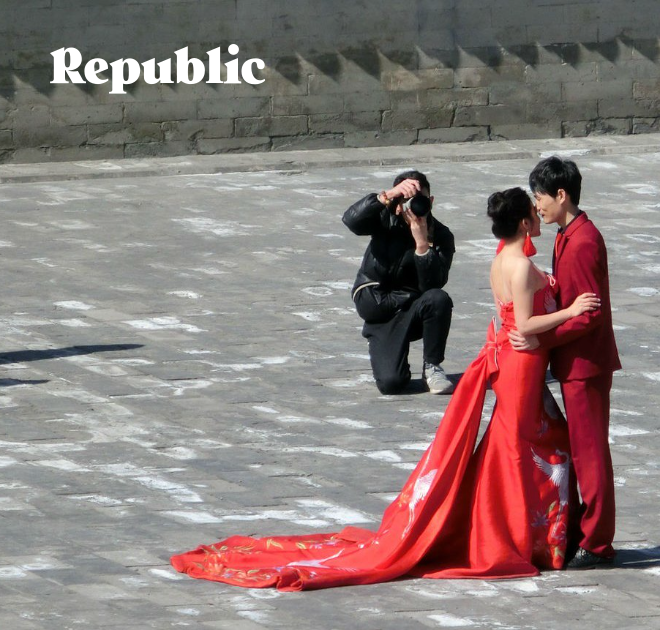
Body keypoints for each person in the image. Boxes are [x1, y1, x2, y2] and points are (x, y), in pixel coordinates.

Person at [169, 188, 600, 590]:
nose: (538, 215)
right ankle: (522, 537)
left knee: (521, 446)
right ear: (524, 223)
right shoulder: (520, 266)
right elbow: (524, 324)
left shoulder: (503, 258)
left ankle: (528, 533)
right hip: (521, 366)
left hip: (514, 362)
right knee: (525, 450)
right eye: (533, 212)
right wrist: (571, 311)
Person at [510, 156, 622, 569]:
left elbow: (588, 315)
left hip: (585, 364)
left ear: (562, 195)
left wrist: (541, 337)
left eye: (540, 196)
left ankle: (597, 542)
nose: (536, 205)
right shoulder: (567, 235)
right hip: (576, 363)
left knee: (591, 455)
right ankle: (583, 533)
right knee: (583, 451)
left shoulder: (583, 241)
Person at [343, 170, 456, 395]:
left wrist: (422, 245)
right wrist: (386, 197)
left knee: (438, 299)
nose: (413, 207)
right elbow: (351, 220)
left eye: (421, 200)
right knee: (391, 384)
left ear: (431, 201)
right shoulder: (384, 219)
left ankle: (432, 366)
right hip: (381, 310)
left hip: (414, 311)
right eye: (407, 201)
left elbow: (434, 284)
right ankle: (383, 346)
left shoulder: (441, 235)